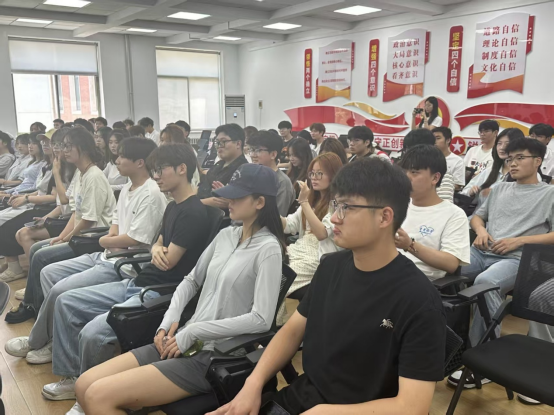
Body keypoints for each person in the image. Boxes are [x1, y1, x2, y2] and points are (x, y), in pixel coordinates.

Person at [212, 158, 446, 416]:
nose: (334, 217)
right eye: (336, 205)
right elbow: (291, 331)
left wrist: (325, 412)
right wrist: (253, 383)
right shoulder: (331, 266)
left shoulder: (418, 299)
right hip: (304, 397)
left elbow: (412, 407)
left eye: (346, 207)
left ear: (384, 216)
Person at [75, 164, 286, 415]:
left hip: (214, 354)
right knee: (83, 384)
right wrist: (169, 320)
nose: (229, 201)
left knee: (98, 396)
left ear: (260, 202)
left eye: (237, 196)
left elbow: (261, 319)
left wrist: (196, 331)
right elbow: (191, 281)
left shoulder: (268, 249)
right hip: (182, 340)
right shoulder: (227, 235)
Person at [47, 144, 209, 413]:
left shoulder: (193, 212)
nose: (156, 176)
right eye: (155, 170)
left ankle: (85, 399)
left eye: (161, 170)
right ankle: (73, 377)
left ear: (182, 169)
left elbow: (169, 260)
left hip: (159, 292)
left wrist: (158, 250)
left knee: (93, 332)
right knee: (66, 300)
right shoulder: (173, 206)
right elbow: (159, 244)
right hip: (140, 281)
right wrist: (156, 248)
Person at [5, 138, 166, 371]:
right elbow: (114, 226)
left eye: (122, 156)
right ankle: (52, 337)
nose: (117, 160)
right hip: (108, 254)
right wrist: (107, 240)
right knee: (49, 272)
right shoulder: (128, 188)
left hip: (122, 263)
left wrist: (104, 240)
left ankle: (39, 341)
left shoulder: (151, 193)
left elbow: (134, 240)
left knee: (60, 290)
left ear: (140, 162)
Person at [449, 138, 554, 389]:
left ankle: (482, 362)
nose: (513, 163)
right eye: (510, 159)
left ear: (538, 162)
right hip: (483, 251)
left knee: (486, 283)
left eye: (520, 158)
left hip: (518, 260)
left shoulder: (549, 194)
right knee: (446, 266)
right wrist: (481, 231)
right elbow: (477, 218)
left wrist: (519, 241)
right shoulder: (498, 189)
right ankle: (449, 345)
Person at [4, 128, 116, 325]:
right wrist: (61, 237)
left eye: (68, 146)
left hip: (93, 238)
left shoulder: (94, 176)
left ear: (83, 148)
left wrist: (67, 238)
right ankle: (33, 302)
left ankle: (33, 306)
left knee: (41, 254)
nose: (64, 150)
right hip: (82, 234)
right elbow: (75, 212)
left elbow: (88, 220)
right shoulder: (81, 173)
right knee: (38, 248)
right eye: (63, 146)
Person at [0, 129, 75, 283]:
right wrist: (24, 197)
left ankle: (34, 278)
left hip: (52, 210)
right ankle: (27, 273)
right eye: (46, 143)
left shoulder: (66, 169)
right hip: (49, 209)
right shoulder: (50, 165)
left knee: (16, 230)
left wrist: (27, 198)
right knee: (14, 228)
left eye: (55, 144)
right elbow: (50, 195)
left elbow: (62, 200)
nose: (48, 146)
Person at [278, 153, 342, 324]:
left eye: (320, 173)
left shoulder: (338, 203)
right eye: (312, 173)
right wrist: (268, 210)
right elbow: (290, 225)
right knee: (269, 268)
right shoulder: (313, 200)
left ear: (334, 174)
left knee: (280, 278)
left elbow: (322, 233)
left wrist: (304, 202)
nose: (314, 177)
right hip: (300, 249)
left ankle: (271, 324)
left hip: (320, 255)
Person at [396, 145, 470, 281]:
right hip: (387, 272)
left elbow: (451, 263)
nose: (406, 177)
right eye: (404, 171)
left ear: (435, 178)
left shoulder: (454, 215)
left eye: (414, 172)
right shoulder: (395, 205)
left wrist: (410, 245)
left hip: (419, 281)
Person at [461, 128, 524, 199]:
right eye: (499, 143)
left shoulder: (524, 174)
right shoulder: (489, 171)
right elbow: (464, 192)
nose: (502, 147)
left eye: (507, 143)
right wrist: (470, 192)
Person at [198, 124, 249, 208]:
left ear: (238, 144)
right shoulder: (219, 165)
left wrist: (195, 203)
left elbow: (220, 201)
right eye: (217, 142)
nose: (219, 146)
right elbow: (202, 187)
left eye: (223, 141)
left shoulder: (243, 170)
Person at [248, 131, 295, 217]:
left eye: (258, 150)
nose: (252, 155)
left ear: (273, 154)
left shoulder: (282, 182)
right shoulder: (252, 176)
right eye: (251, 150)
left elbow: (276, 217)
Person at [403, 129, 456, 203]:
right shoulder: (402, 169)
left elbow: (444, 205)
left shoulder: (444, 175)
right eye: (406, 149)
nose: (407, 153)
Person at [0, 133, 47, 199]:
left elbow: (34, 188)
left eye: (34, 143)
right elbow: (24, 184)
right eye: (29, 143)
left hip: (22, 195)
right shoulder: (31, 162)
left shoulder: (43, 164)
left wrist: (10, 194)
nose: (30, 146)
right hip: (15, 191)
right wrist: (6, 192)